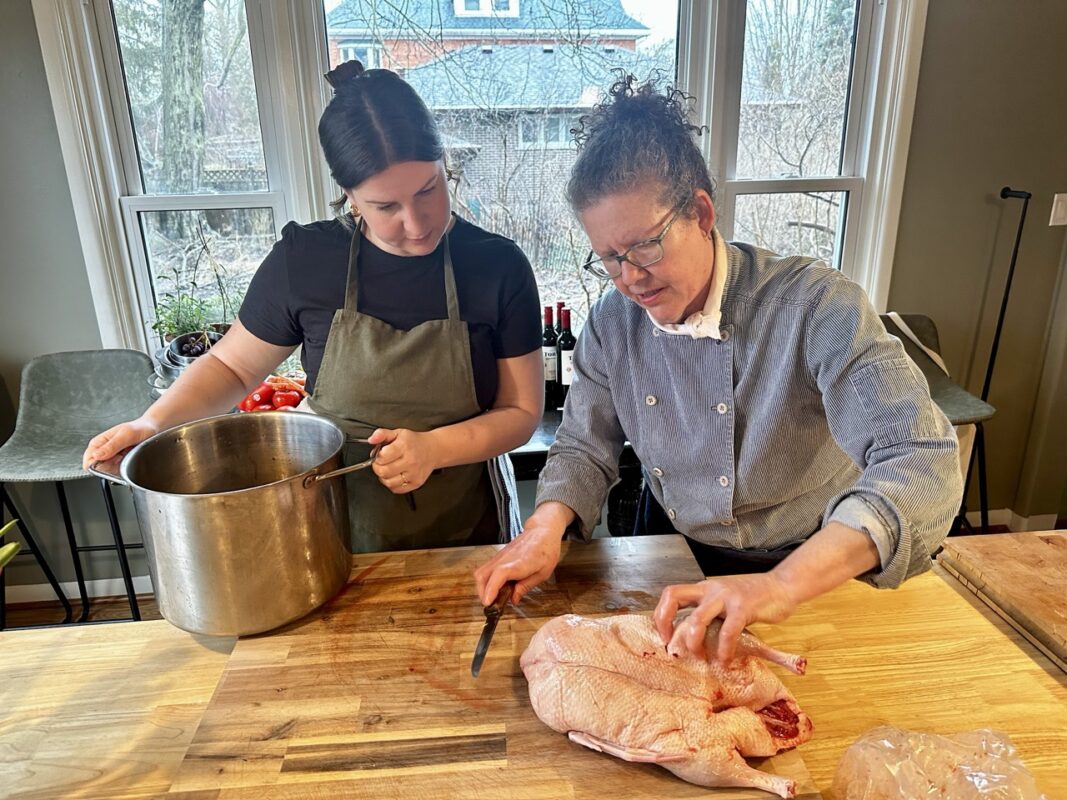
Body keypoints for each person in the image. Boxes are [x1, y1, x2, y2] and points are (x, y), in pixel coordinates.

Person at [474, 76, 962, 663]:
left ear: (701, 213)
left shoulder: (814, 305)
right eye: (609, 257)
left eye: (645, 248)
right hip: (670, 557)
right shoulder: (611, 325)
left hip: (812, 568)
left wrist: (780, 585)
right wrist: (543, 530)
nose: (629, 278)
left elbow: (920, 458)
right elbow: (584, 446)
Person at [83, 60, 544, 553]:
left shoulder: (498, 266)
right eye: (385, 207)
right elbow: (232, 367)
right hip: (333, 526)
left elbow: (520, 411)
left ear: (444, 164)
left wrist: (435, 449)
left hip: (469, 530)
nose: (416, 223)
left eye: (429, 190)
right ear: (349, 196)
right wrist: (152, 424)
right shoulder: (306, 261)